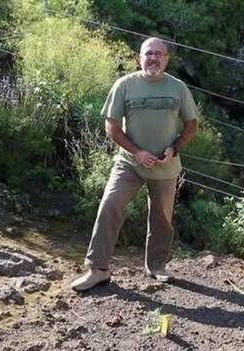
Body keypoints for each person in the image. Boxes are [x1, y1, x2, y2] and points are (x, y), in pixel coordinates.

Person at [71, 37, 199, 292]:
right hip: (129, 163)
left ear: (166, 58)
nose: (153, 58)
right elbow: (112, 126)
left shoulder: (178, 88)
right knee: (110, 205)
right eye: (148, 53)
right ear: (139, 57)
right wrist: (137, 152)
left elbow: (192, 125)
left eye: (159, 54)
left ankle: (157, 265)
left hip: (165, 166)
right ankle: (98, 270)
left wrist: (174, 148)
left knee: (162, 217)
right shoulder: (125, 85)